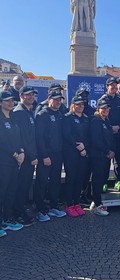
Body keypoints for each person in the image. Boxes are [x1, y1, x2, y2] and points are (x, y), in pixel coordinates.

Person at [35, 91, 66, 222]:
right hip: (46, 155)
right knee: (41, 182)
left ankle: (53, 206)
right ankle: (40, 209)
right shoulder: (42, 115)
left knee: (55, 181)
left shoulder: (59, 114)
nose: (58, 102)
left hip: (58, 154)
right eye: (55, 99)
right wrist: (44, 155)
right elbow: (39, 138)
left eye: (60, 100)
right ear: (49, 100)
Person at [12, 86, 38, 226]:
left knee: (25, 185)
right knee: (21, 186)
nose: (31, 97)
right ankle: (18, 213)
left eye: (32, 95)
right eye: (27, 95)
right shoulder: (20, 112)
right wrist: (32, 156)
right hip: (25, 158)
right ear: (21, 96)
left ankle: (20, 209)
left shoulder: (29, 111)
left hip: (30, 157)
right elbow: (23, 139)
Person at [0, 91, 24, 237]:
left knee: (11, 190)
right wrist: (15, 154)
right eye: (7, 100)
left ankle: (7, 219)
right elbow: (2, 141)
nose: (11, 103)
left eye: (12, 100)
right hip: (3, 160)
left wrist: (21, 151)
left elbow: (19, 137)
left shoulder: (14, 117)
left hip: (15, 161)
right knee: (1, 191)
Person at [63, 96, 90, 217]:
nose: (80, 107)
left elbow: (89, 135)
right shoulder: (67, 118)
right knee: (71, 179)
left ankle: (77, 203)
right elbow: (67, 135)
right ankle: (69, 204)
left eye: (82, 105)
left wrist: (84, 147)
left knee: (80, 178)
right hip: (71, 152)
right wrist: (78, 145)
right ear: (73, 105)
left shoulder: (86, 118)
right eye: (78, 104)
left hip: (83, 153)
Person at [100, 77, 120, 190]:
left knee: (118, 159)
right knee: (106, 159)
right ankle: (103, 182)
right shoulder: (102, 100)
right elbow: (100, 117)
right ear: (107, 86)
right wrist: (109, 127)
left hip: (119, 134)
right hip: (106, 135)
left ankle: (119, 181)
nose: (114, 87)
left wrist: (118, 127)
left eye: (115, 86)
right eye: (112, 85)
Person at [89, 99, 115, 216]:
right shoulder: (95, 121)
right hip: (98, 155)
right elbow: (96, 140)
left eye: (107, 108)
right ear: (98, 109)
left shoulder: (106, 121)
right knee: (97, 179)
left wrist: (111, 150)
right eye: (103, 108)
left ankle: (96, 202)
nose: (106, 110)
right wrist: (107, 151)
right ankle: (97, 204)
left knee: (103, 178)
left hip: (106, 156)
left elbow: (110, 138)